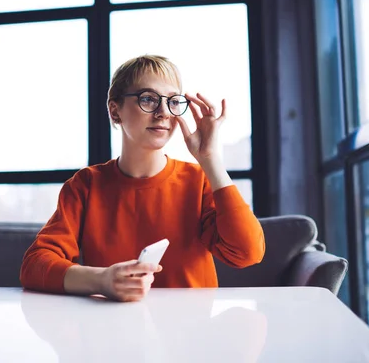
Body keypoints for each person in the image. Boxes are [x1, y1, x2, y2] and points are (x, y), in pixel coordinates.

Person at [20, 55, 265, 302]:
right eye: (148, 99)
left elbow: (248, 253)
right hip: (111, 328)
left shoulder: (198, 180)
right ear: (115, 111)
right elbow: (35, 265)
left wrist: (210, 159)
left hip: (192, 333)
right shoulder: (85, 185)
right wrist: (103, 280)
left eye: (172, 101)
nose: (163, 113)